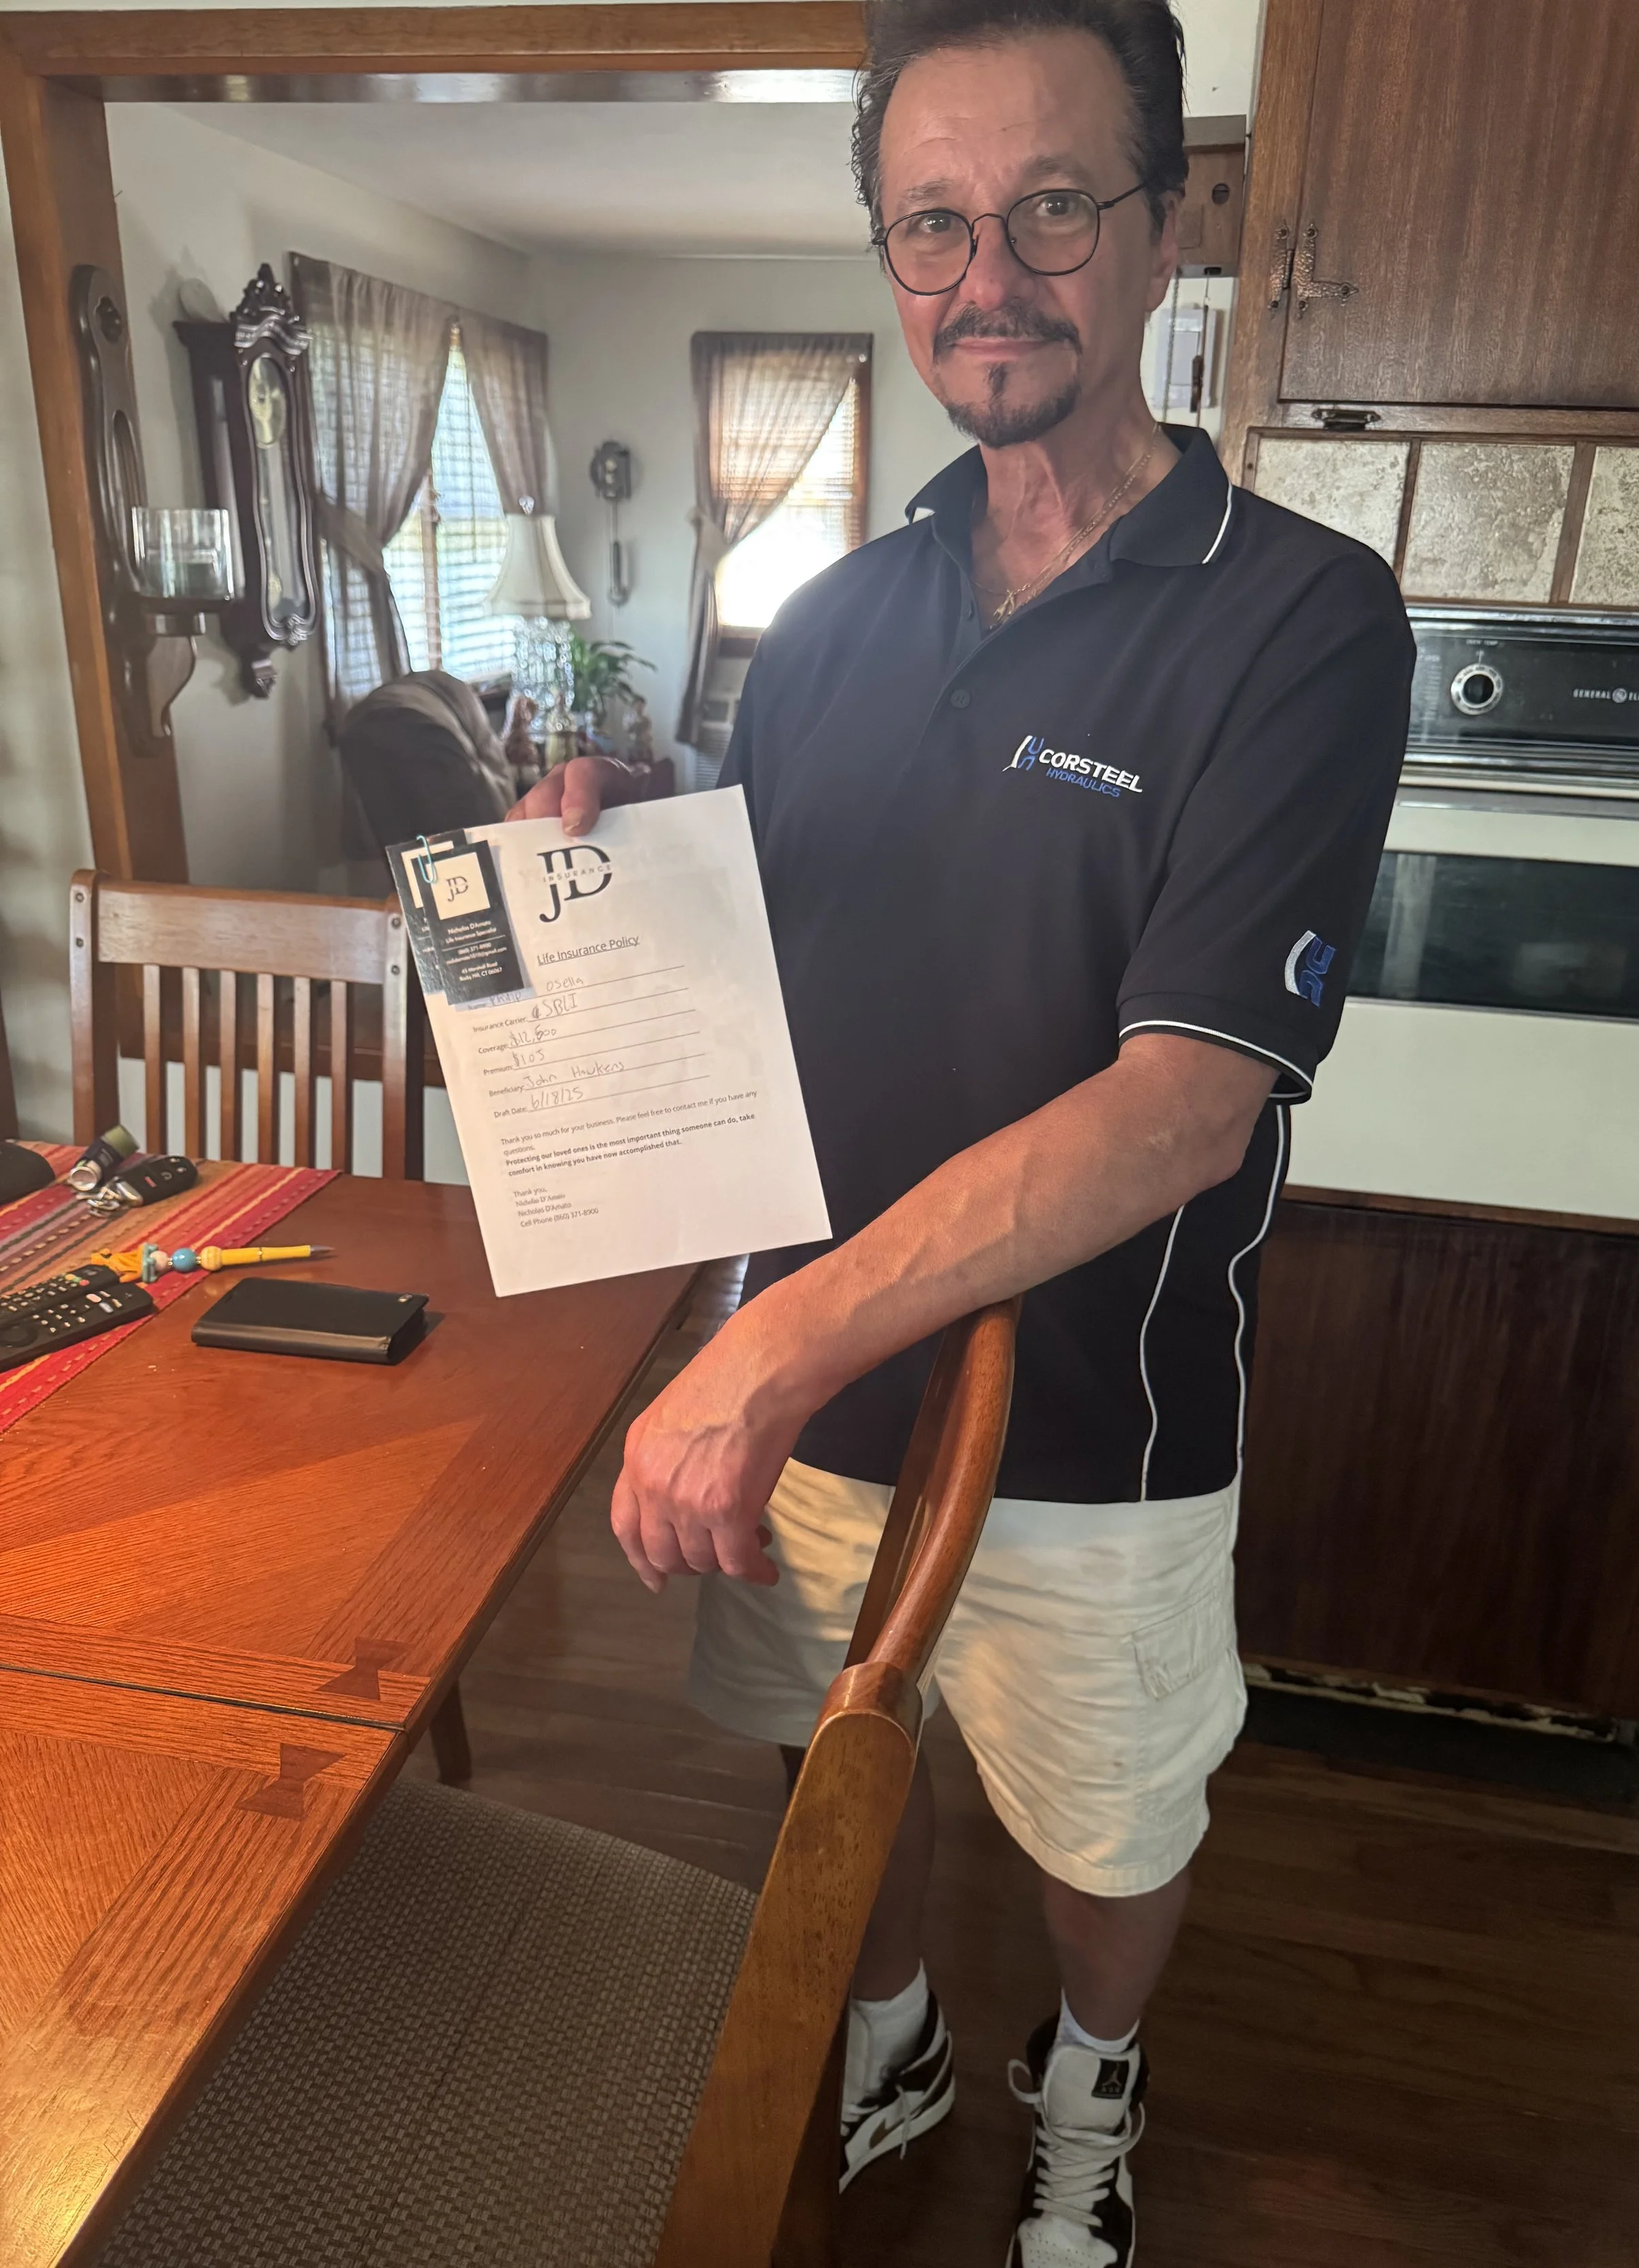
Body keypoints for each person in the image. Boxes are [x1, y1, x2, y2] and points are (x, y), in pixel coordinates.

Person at [509, 1, 1414, 2256]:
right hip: (820, 1390)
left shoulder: (1302, 617)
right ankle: (892, 2023)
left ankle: (1087, 2079)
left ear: (1162, 225)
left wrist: (760, 1342)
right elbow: (787, 914)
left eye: (1048, 208)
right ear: (889, 255)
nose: (986, 275)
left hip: (1100, 1420)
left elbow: (1181, 1107)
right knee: (840, 1762)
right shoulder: (827, 615)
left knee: (1107, 1831)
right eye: (931, 223)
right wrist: (628, 839)